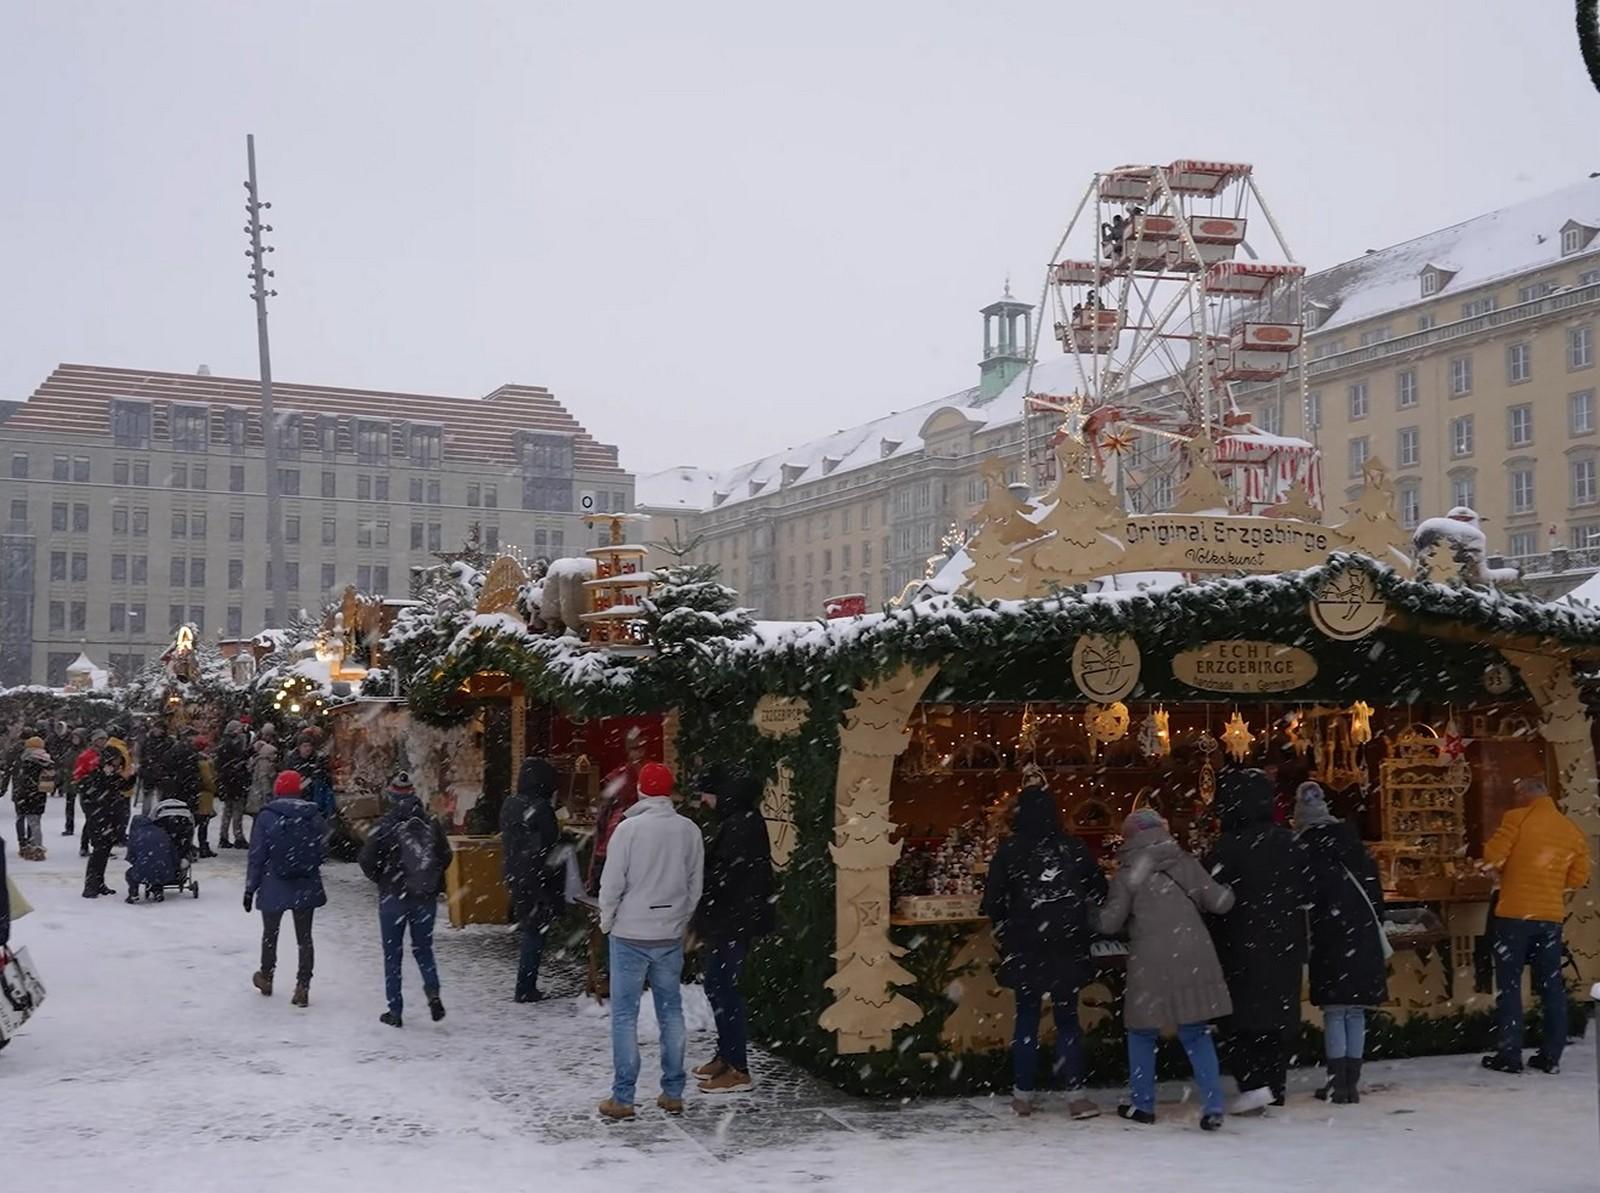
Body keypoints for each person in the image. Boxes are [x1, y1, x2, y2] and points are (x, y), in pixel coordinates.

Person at [1094, 808, 1235, 1130]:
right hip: (1193, 953)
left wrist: (1088, 910)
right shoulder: (1184, 862)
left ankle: (1143, 1105)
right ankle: (1213, 1106)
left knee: (1142, 1033)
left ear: (1129, 837)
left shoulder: (1129, 873)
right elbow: (1221, 902)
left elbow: (1109, 922)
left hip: (1149, 960)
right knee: (1196, 1033)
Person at [981, 783, 1106, 1119]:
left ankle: (1022, 1095)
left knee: (1026, 1017)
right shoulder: (1074, 848)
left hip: (1026, 944)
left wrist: (1007, 924)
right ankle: (1076, 1095)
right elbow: (1099, 888)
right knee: (1067, 1019)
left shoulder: (1009, 851)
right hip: (1069, 943)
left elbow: (992, 901)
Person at [597, 762, 704, 1121]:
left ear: (642, 791)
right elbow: (694, 884)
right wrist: (680, 919)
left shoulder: (628, 830)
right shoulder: (689, 830)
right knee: (671, 1011)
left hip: (630, 932)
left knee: (624, 1015)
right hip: (668, 933)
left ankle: (623, 1097)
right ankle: (673, 1091)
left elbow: (612, 883)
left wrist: (607, 919)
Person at [1205, 769, 1311, 1114]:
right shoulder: (1288, 843)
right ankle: (1274, 1084)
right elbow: (1306, 890)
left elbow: (1211, 898)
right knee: (1275, 1017)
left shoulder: (1227, 847)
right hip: (1283, 942)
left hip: (1239, 945)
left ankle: (1252, 1083)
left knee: (1239, 1019)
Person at [1481, 777, 1591, 1075]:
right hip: (1550, 917)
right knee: (1552, 987)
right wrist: (1550, 883)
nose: (1517, 799)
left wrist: (1504, 871)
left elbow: (1492, 855)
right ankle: (1551, 1056)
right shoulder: (1570, 830)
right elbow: (1579, 877)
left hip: (1514, 914)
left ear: (1526, 793)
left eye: (1518, 793)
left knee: (1510, 985)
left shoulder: (1517, 819)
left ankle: (1510, 1053)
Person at [1294, 781, 1389, 1104]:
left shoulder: (1304, 848)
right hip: (1361, 933)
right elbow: (1375, 891)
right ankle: (1352, 1082)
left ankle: (1337, 1082)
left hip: (1329, 936)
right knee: (1355, 1011)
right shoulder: (1352, 843)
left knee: (1335, 1011)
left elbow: (1303, 897)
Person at [693, 765, 776, 1096]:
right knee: (717, 986)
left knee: (724, 989)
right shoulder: (739, 820)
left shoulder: (741, 825)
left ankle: (738, 1068)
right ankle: (726, 1055)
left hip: (733, 922)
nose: (703, 801)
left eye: (705, 794)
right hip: (729, 921)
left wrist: (699, 880)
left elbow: (728, 877)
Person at [359, 773, 453, 1028]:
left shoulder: (384, 826)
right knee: (423, 949)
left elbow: (366, 860)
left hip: (393, 897)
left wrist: (383, 878)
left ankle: (395, 1010)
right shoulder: (431, 823)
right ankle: (432, 992)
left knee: (393, 954)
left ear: (391, 797)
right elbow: (445, 856)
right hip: (424, 897)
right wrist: (430, 879)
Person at [245, 770, 327, 1008]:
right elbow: (323, 849)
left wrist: (251, 887)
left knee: (270, 934)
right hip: (305, 882)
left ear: (278, 788)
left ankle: (267, 976)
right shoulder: (313, 815)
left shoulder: (267, 816)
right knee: (305, 938)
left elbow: (257, 855)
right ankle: (303, 986)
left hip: (274, 882)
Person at [502, 757, 566, 1003]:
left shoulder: (510, 804)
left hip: (516, 873)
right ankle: (526, 987)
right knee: (535, 932)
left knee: (530, 927)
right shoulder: (541, 808)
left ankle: (526, 984)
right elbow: (551, 843)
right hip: (537, 876)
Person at [588, 726, 647, 895]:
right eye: (636, 748)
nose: (639, 752)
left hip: (617, 839)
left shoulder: (640, 771)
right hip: (619, 837)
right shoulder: (623, 773)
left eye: (641, 747)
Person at [79, 747, 129, 899]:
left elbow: (121, 787)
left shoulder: (110, 775)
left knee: (104, 851)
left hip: (108, 819)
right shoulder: (97, 776)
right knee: (99, 852)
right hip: (100, 819)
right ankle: (91, 885)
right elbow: (92, 797)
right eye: (116, 760)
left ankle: (99, 883)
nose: (118, 763)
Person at [13, 736, 55, 861]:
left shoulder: (28, 760)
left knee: (23, 819)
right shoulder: (47, 760)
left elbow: (23, 780)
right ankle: (36, 846)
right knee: (35, 822)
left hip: (25, 795)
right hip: (40, 796)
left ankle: (30, 847)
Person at [215, 721, 252, 849]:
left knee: (228, 811)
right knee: (236, 811)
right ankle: (238, 836)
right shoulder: (231, 745)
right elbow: (238, 760)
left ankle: (224, 836)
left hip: (228, 783)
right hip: (234, 782)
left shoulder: (224, 744)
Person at [73, 728, 109, 857]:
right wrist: (89, 780)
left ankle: (100, 846)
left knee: (102, 819)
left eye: (105, 739)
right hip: (89, 792)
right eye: (100, 739)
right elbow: (77, 774)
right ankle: (85, 846)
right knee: (91, 819)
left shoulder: (106, 754)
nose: (103, 742)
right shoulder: (86, 755)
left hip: (103, 791)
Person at [139, 720, 175, 817]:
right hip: (150, 773)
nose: (157, 730)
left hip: (161, 774)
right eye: (156, 728)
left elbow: (170, 758)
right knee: (147, 799)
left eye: (159, 728)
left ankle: (161, 817)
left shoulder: (168, 742)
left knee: (162, 799)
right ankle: (145, 818)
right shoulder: (147, 741)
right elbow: (142, 757)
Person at [246, 737, 280, 830]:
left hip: (255, 797)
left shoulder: (258, 760)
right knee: (261, 824)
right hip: (261, 799)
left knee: (256, 823)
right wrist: (269, 797)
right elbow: (265, 783)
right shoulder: (266, 764)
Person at [193, 736, 218, 858]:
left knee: (197, 822)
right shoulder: (204, 763)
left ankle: (195, 845)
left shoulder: (195, 760)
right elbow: (209, 780)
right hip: (205, 796)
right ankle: (203, 846)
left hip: (198, 795)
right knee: (203, 823)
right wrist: (215, 788)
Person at [58, 726, 85, 838]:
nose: (75, 739)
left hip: (82, 781)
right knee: (69, 806)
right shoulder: (69, 750)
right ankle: (69, 826)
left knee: (85, 806)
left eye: (77, 737)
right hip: (71, 781)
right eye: (74, 737)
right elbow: (64, 763)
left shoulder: (84, 751)